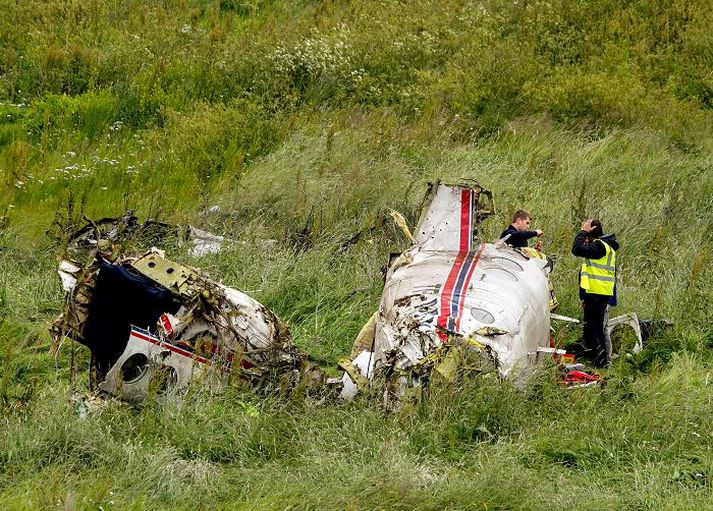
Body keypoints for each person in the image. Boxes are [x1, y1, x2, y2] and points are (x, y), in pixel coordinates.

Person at [571, 219, 619, 368]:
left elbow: (576, 249)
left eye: (586, 234)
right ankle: (594, 359)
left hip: (598, 294)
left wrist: (583, 231)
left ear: (591, 232)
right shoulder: (602, 246)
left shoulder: (600, 246)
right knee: (591, 329)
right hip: (594, 293)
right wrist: (584, 296)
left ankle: (601, 363)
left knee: (597, 331)